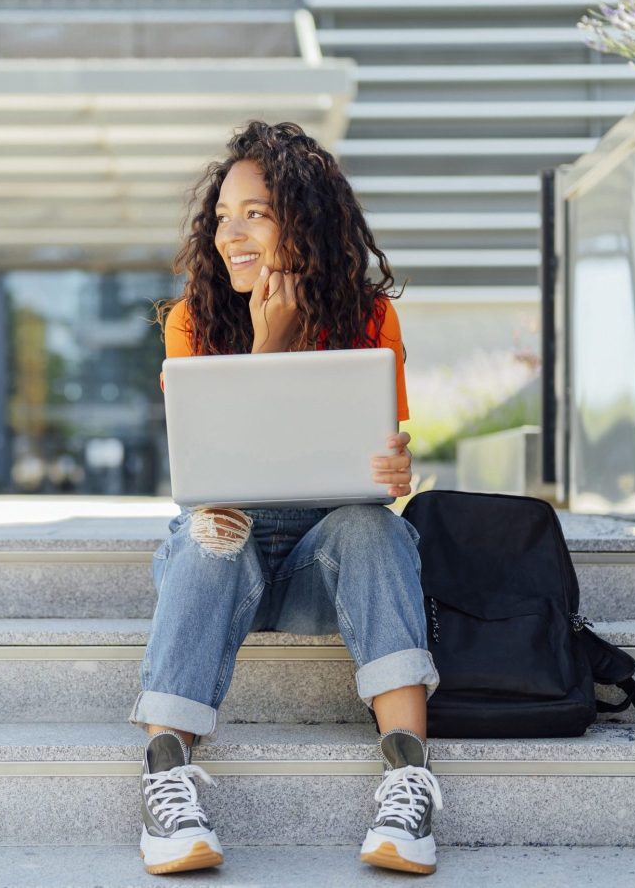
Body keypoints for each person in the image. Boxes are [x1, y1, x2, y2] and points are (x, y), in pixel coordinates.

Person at [133, 120, 443, 876]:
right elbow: (214, 473)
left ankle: (409, 783)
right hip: (223, 563)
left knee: (371, 526)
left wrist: (393, 467)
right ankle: (166, 783)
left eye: (255, 215)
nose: (229, 235)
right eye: (221, 219)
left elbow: (379, 453)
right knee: (211, 529)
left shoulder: (370, 319)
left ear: (303, 222)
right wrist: (267, 345)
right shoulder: (193, 321)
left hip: (319, 570)